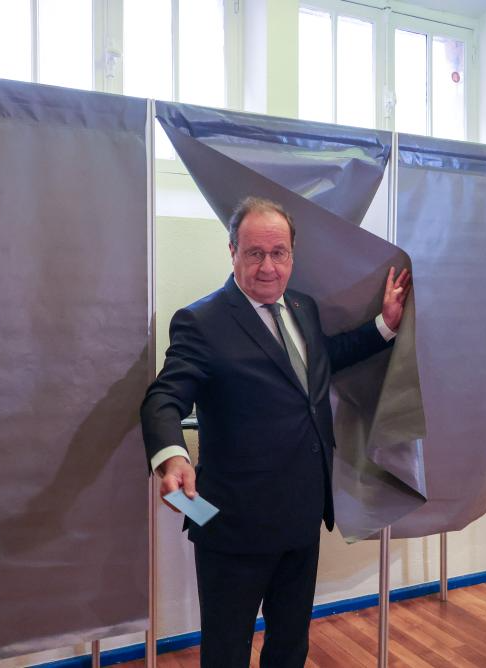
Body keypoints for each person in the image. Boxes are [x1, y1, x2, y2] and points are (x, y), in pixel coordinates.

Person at [141, 196, 411, 667]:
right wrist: (172, 456)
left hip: (301, 517)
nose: (268, 267)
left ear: (292, 255)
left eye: (278, 253)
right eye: (255, 253)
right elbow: (163, 396)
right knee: (226, 653)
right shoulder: (201, 322)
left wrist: (384, 327)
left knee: (289, 646)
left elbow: (323, 360)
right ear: (232, 251)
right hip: (232, 526)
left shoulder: (302, 307)